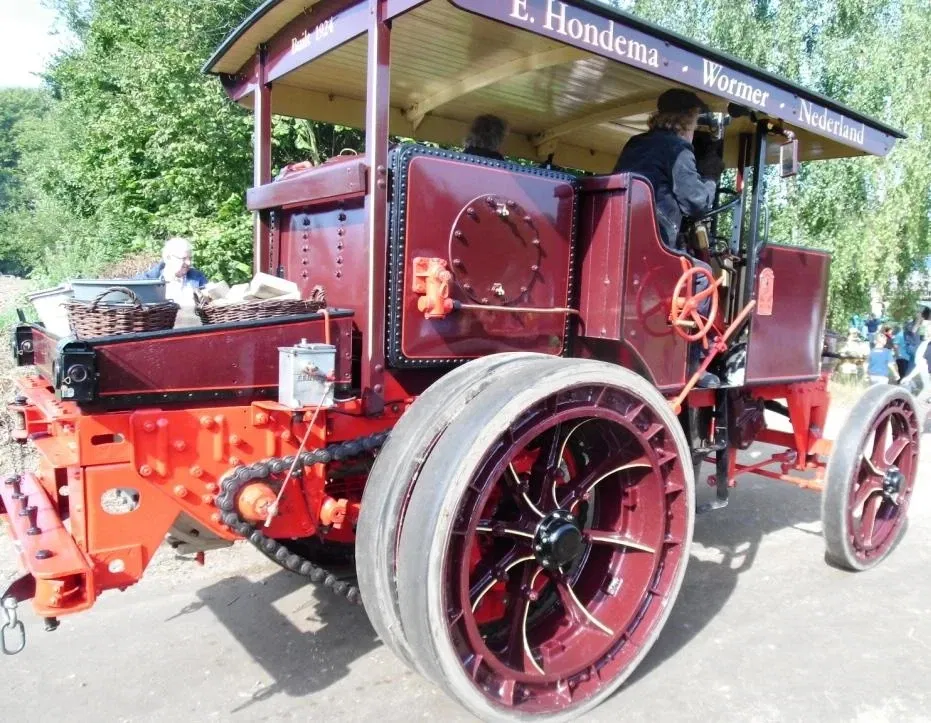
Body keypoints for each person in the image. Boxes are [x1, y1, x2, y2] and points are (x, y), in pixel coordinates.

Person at [614, 87, 725, 388]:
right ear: (687, 121)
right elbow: (697, 203)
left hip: (622, 242)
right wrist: (712, 176)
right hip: (655, 245)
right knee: (701, 277)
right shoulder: (678, 150)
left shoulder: (635, 143)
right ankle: (691, 365)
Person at [138, 237, 208, 301]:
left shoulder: (198, 278)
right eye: (183, 258)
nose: (189, 263)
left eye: (190, 258)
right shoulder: (147, 281)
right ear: (168, 258)